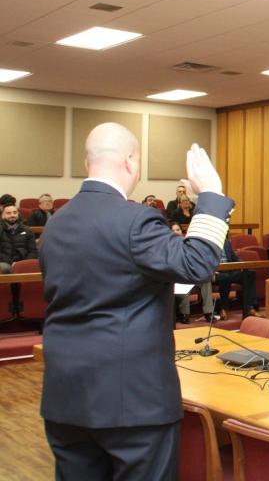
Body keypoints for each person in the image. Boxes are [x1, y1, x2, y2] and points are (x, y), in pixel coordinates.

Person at [39, 123, 231, 479]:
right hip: (131, 402)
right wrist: (213, 197)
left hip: (66, 397)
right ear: (131, 162)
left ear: (87, 162)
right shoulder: (135, 219)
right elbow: (197, 264)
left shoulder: (56, 224)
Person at [171, 223, 215, 324]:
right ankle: (184, 314)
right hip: (177, 277)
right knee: (183, 284)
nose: (176, 232)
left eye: (178, 230)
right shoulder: (168, 246)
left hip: (191, 275)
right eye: (173, 230)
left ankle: (208, 312)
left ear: (181, 232)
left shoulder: (188, 244)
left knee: (205, 280)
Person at [213, 235, 256, 320]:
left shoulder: (226, 242)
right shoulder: (207, 242)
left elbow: (234, 257)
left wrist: (243, 265)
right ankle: (223, 308)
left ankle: (249, 308)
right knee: (224, 277)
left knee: (249, 274)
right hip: (216, 273)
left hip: (229, 270)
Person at [0, 202, 38, 273]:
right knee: (4, 268)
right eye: (8, 213)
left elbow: (33, 251)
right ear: (2, 215)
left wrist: (22, 263)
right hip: (5, 262)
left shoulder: (27, 230)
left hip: (23, 262)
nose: (12, 215)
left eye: (15, 212)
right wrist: (11, 263)